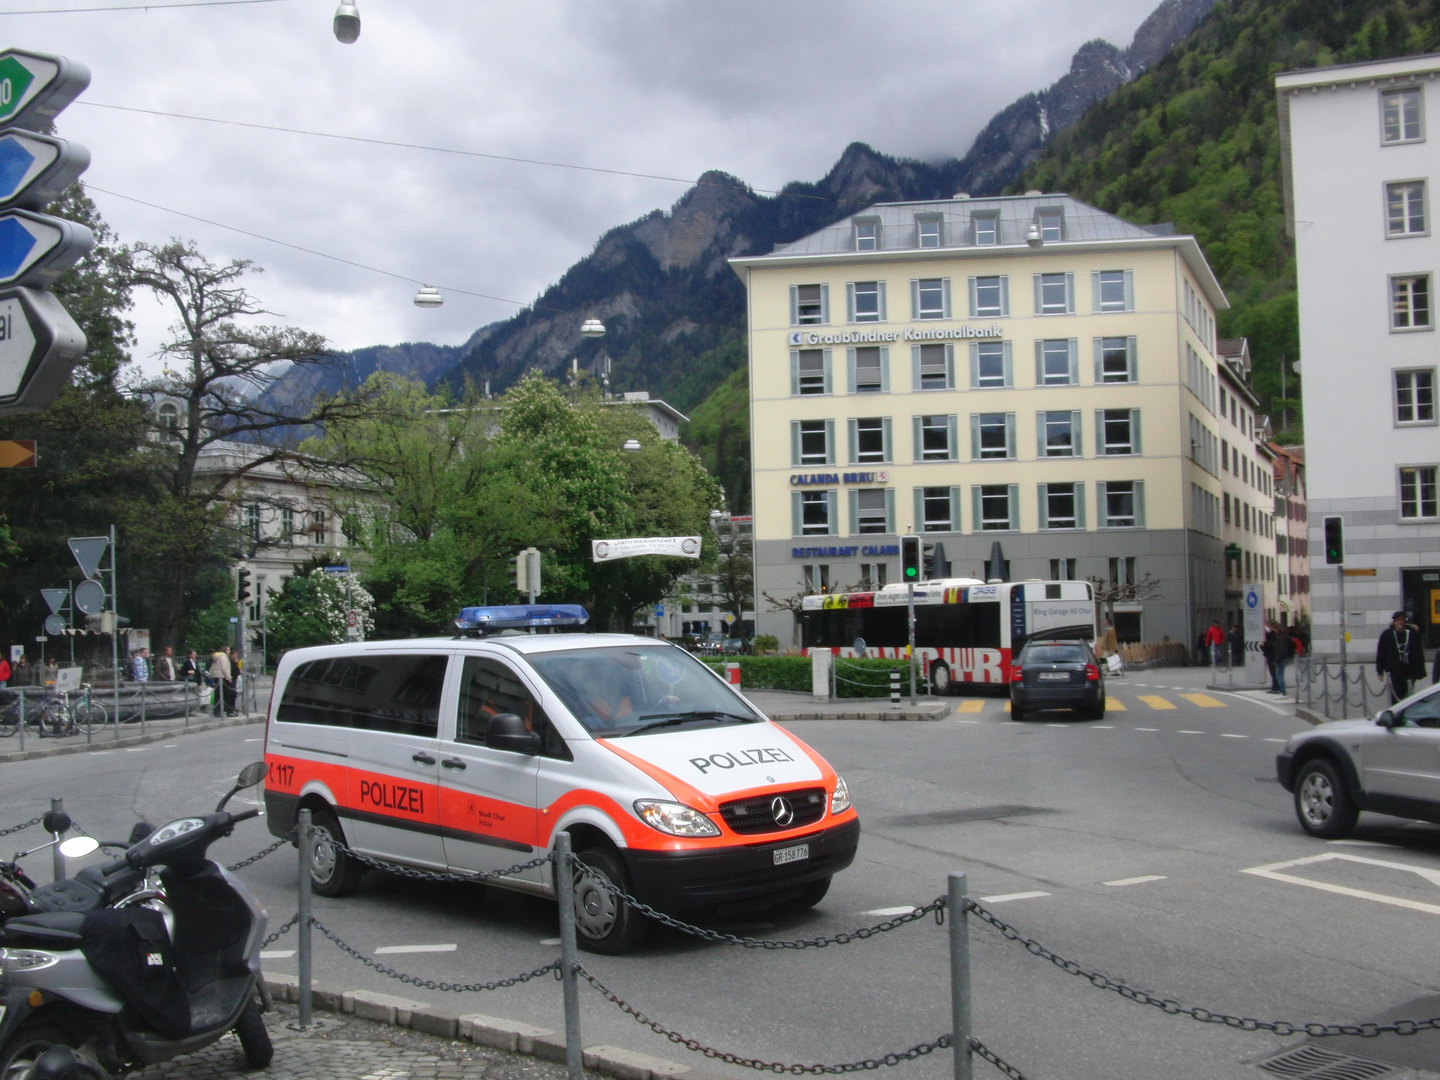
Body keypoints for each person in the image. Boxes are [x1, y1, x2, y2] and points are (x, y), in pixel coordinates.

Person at [1376, 610, 1426, 703]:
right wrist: (1380, 671)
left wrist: (1420, 671)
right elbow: (1381, 653)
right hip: (1393, 670)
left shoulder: (1412, 634)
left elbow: (1418, 653)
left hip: (1409, 670)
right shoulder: (1387, 635)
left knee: (1409, 694)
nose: (1400, 622)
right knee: (1395, 695)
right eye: (1398, 620)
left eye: (1402, 620)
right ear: (1394, 621)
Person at [1264, 621, 1294, 695]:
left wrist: (1277, 659)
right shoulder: (1284, 636)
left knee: (1279, 675)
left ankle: (1282, 691)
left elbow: (1281, 649)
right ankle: (1280, 690)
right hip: (1282, 657)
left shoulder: (1280, 637)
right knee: (1278, 674)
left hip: (1280, 658)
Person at [209, 647, 233, 717]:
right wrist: (228, 677)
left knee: (218, 695)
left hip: (216, 676)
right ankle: (226, 710)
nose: (229, 651)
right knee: (225, 694)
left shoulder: (217, 657)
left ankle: (217, 710)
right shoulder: (223, 657)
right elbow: (224, 668)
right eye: (228, 650)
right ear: (225, 651)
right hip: (222, 677)